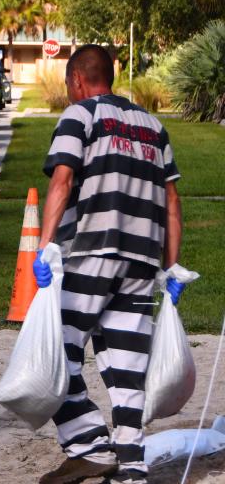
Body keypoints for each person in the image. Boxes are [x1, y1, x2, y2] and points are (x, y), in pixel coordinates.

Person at [34, 44, 186, 484]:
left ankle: (88, 445)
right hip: (141, 261)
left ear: (77, 79)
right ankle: (132, 467)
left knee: (55, 354)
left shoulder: (80, 117)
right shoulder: (154, 127)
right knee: (127, 368)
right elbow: (171, 202)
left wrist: (46, 246)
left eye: (67, 85)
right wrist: (170, 267)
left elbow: (62, 181)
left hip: (89, 254)